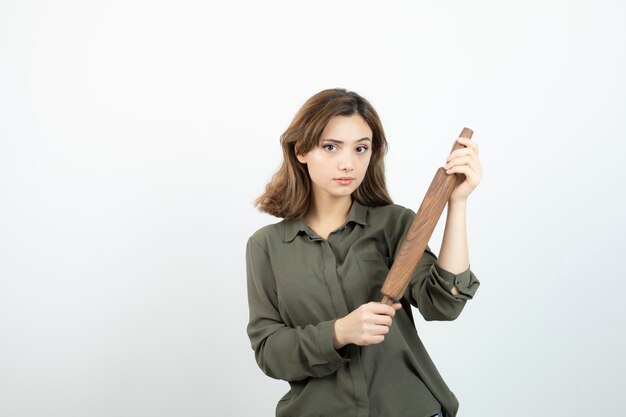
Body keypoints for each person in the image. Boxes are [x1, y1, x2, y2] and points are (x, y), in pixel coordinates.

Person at [245, 88, 481, 417]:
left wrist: (457, 203)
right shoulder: (266, 246)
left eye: (361, 148)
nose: (348, 163)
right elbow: (270, 353)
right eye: (330, 147)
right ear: (301, 150)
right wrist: (339, 332)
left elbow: (444, 303)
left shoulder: (394, 223)